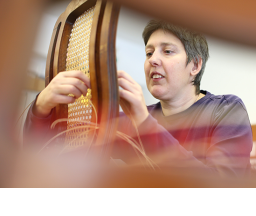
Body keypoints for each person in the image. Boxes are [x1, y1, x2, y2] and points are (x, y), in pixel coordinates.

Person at [24, 20, 253, 177]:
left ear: (195, 65)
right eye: (149, 53)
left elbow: (220, 189)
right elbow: (50, 150)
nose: (153, 60)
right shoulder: (127, 123)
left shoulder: (226, 110)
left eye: (168, 51)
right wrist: (41, 107)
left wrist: (143, 122)